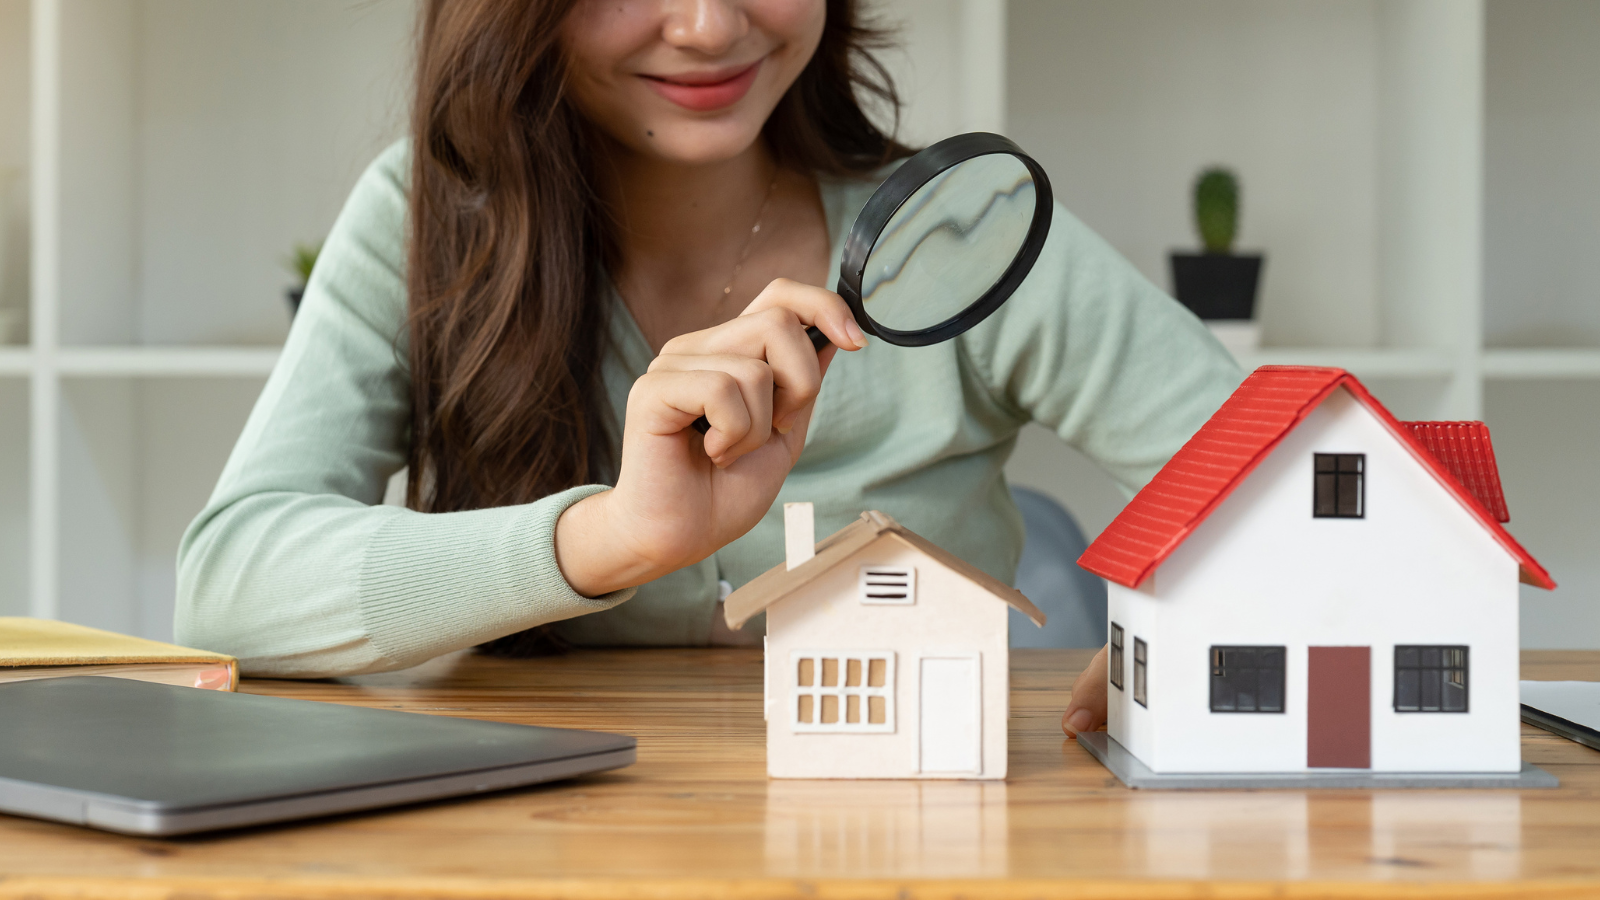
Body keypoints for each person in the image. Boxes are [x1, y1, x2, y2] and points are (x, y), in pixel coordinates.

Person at [174, 0, 1240, 739]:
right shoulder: (430, 215)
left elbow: (1276, 483)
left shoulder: (955, 234)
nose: (709, 27)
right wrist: (612, 537)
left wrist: (1201, 613)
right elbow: (228, 588)